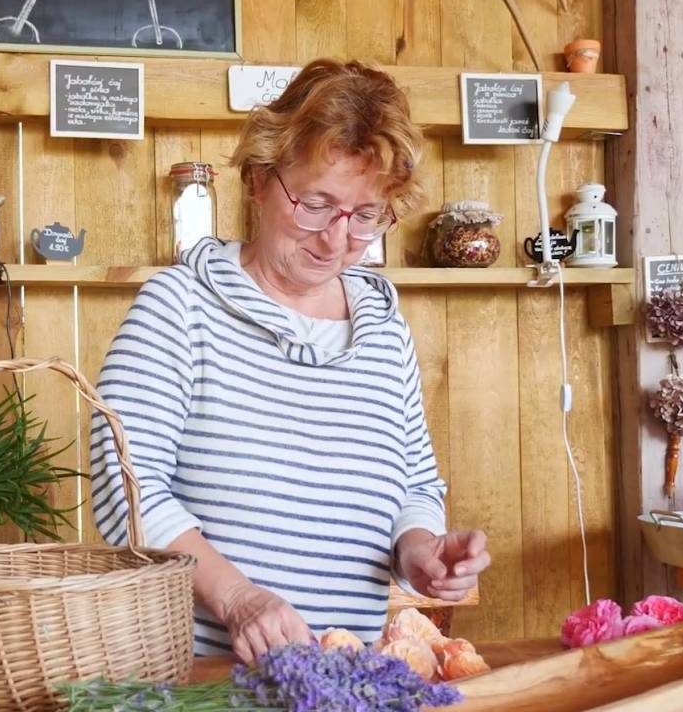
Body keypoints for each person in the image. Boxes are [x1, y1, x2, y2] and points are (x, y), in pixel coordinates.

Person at [89, 59, 491, 663]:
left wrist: (418, 549)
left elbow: (414, 482)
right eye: (315, 203)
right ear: (258, 178)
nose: (335, 239)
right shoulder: (180, 306)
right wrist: (236, 598)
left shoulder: (383, 328)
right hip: (200, 680)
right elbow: (124, 484)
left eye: (365, 216)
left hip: (341, 678)